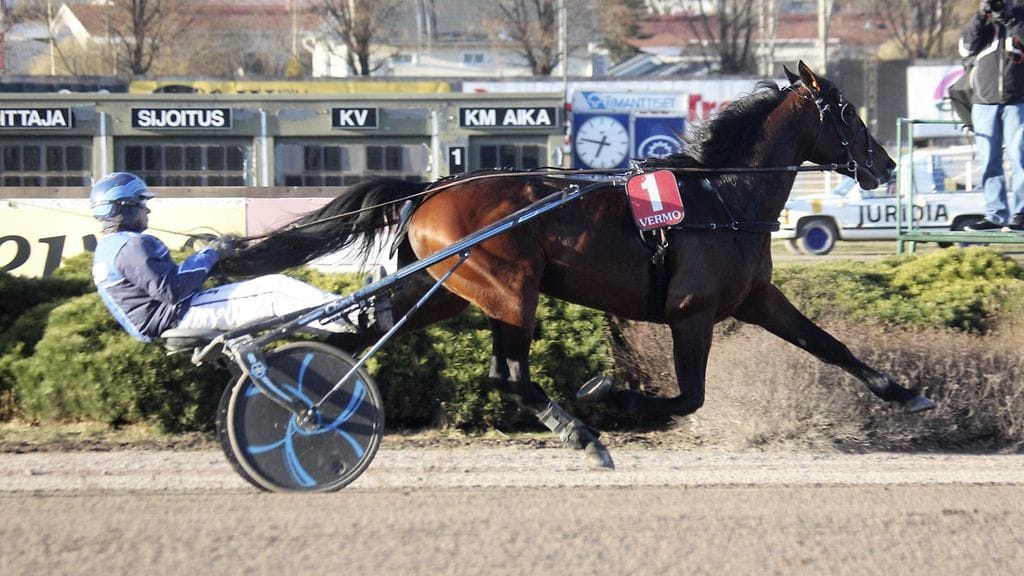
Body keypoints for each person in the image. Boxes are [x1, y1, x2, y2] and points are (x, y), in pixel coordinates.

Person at [90, 172, 384, 343]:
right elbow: (171, 290)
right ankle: (356, 314)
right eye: (142, 203)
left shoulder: (109, 248)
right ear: (125, 207)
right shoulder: (133, 245)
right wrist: (210, 255)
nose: (147, 210)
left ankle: (344, 324)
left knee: (279, 306)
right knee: (275, 289)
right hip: (176, 315)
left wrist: (210, 261)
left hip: (163, 319)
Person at [962, 0, 1024, 231]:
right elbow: (966, 47)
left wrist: (1010, 18)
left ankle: (1022, 214)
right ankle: (994, 215)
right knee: (989, 161)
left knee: (1020, 158)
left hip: (1018, 100)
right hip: (984, 102)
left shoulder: (1019, 14)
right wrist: (981, 16)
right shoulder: (982, 21)